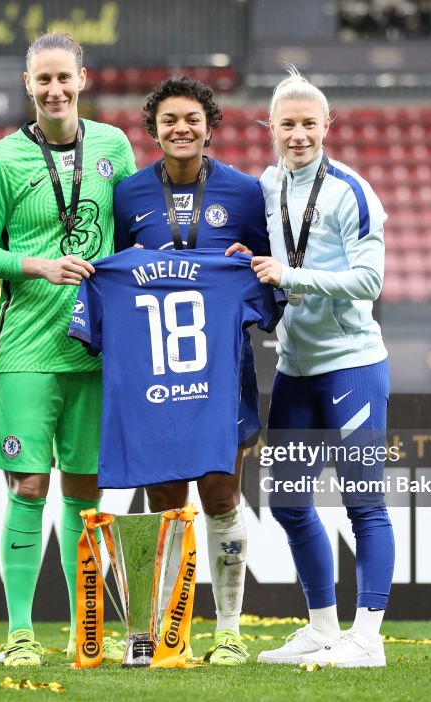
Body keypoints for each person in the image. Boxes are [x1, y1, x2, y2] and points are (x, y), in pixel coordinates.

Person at [0, 32, 137, 666]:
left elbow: (131, 231)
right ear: (27, 85)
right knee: (27, 487)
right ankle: (19, 631)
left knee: (85, 492)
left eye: (63, 78)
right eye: (43, 80)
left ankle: (82, 631)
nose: (54, 90)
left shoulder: (114, 147)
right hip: (25, 351)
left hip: (95, 351)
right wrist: (38, 266)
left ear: (83, 78)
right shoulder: (0, 161)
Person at [112, 76, 269, 666]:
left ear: (210, 126)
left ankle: (228, 629)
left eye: (192, 119)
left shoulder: (245, 193)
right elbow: (109, 273)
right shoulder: (127, 195)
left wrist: (248, 268)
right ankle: (156, 633)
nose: (181, 128)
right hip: (154, 371)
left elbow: (264, 275)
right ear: (152, 129)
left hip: (222, 371)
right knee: (166, 498)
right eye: (170, 119)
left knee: (222, 493)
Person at [250, 67, 393, 668]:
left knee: (364, 503)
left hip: (351, 363)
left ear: (327, 126)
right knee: (287, 501)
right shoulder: (266, 183)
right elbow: (269, 258)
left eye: (310, 123)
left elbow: (370, 279)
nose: (299, 134)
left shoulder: (353, 192)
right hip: (295, 368)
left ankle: (370, 638)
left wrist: (291, 276)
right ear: (272, 128)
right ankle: (322, 628)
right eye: (289, 124)